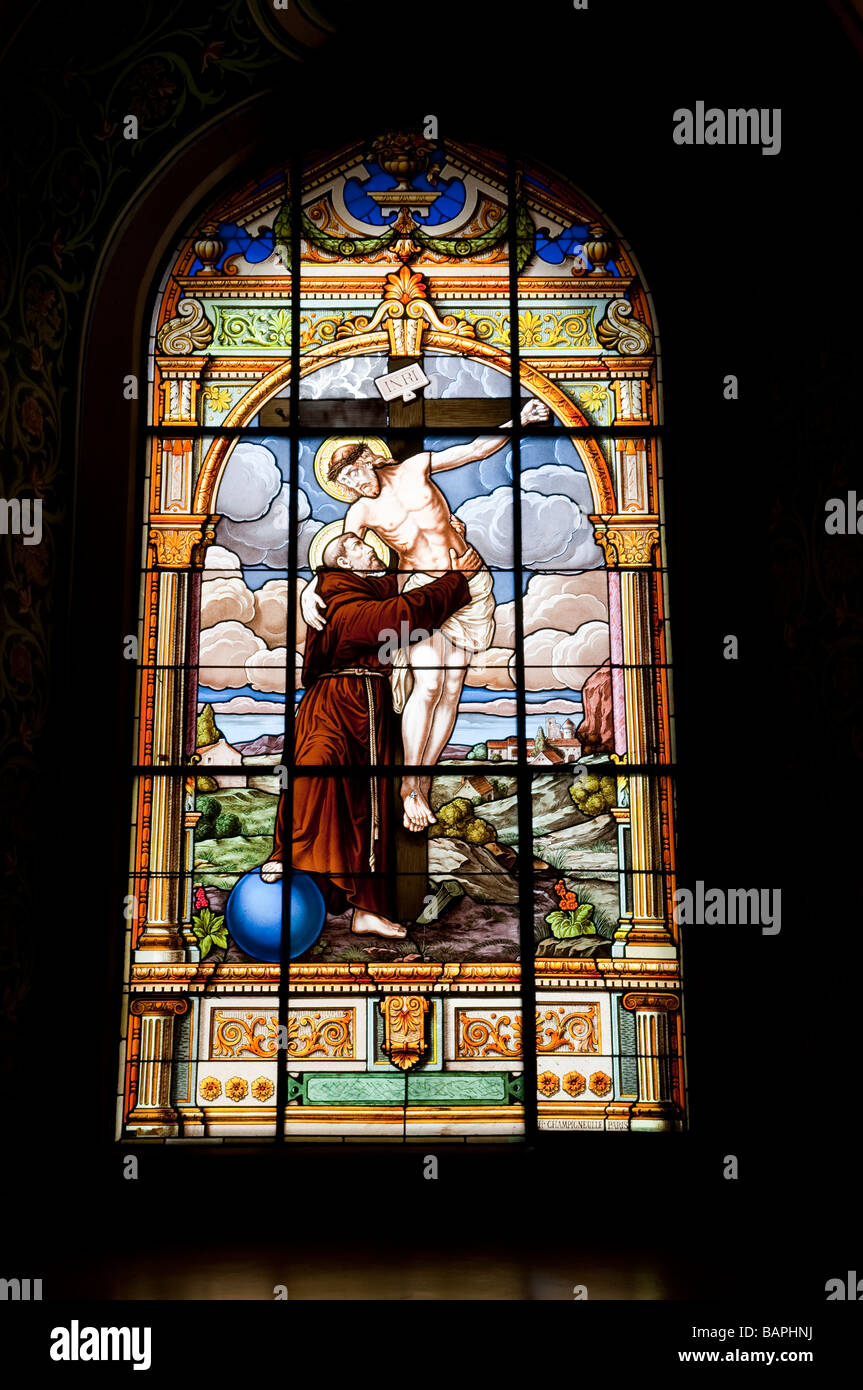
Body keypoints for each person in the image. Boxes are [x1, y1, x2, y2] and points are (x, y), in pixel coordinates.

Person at [301, 399, 550, 831]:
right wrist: (310, 586)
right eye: (342, 482)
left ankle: (423, 781)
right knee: (429, 684)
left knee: (452, 689)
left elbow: (473, 450)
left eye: (352, 474)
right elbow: (342, 560)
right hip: (421, 587)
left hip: (469, 581)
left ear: (366, 461)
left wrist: (519, 422)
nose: (352, 486)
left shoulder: (415, 468)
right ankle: (407, 787)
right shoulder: (359, 513)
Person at [260, 531, 479, 939]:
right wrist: (456, 582)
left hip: (370, 706)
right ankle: (289, 854)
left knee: (368, 808)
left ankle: (366, 910)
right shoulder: (336, 594)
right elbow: (387, 622)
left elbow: (398, 587)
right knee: (314, 768)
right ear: (343, 562)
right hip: (333, 697)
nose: (369, 543)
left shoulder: (368, 586)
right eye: (357, 543)